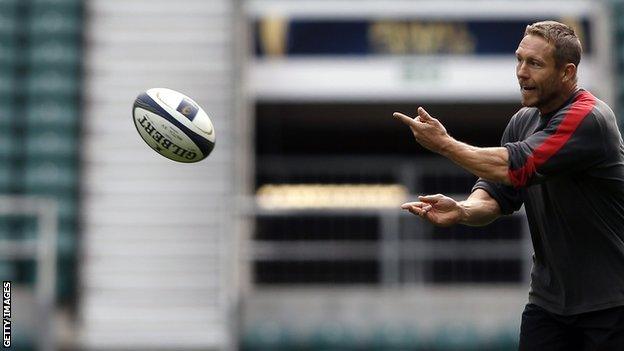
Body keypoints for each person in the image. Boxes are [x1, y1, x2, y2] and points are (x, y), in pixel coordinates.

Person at [394, 21, 624, 350]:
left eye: (535, 63)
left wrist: (445, 144)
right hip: (548, 304)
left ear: (567, 72)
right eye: (519, 59)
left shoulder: (588, 119)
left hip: (611, 305)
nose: (521, 72)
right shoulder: (522, 121)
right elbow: (496, 195)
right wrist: (462, 210)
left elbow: (515, 166)